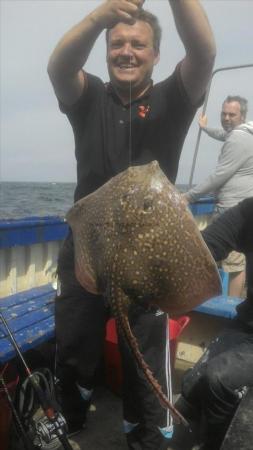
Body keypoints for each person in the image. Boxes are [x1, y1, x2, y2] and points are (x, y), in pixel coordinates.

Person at [47, 1, 216, 448]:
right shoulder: (90, 98)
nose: (126, 51)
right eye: (116, 43)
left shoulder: (172, 99)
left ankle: (146, 434)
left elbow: (203, 52)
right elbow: (60, 65)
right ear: (105, 51)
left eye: (138, 44)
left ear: (156, 55)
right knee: (75, 348)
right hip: (87, 248)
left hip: (151, 253)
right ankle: (73, 417)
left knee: (142, 352)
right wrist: (97, 17)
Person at [168, 197, 253, 450]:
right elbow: (201, 249)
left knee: (219, 379)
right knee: (192, 383)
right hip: (248, 322)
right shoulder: (248, 212)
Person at [185, 96, 253, 297]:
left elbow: (219, 175)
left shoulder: (238, 138)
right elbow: (224, 134)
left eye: (232, 114)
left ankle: (230, 308)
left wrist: (188, 196)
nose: (226, 118)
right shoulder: (243, 134)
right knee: (222, 259)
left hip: (234, 210)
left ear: (242, 116)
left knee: (233, 265)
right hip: (232, 207)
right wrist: (205, 128)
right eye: (223, 113)